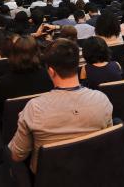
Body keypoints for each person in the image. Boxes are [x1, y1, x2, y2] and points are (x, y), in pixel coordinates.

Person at [8, 39, 113, 173]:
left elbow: (17, 156)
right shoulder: (102, 99)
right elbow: (108, 140)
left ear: (51, 71)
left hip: (50, 178)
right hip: (94, 172)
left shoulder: (33, 108)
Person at [0, 36, 53, 113]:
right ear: (37, 53)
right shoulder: (49, 77)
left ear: (13, 53)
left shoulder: (1, 82)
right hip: (45, 121)